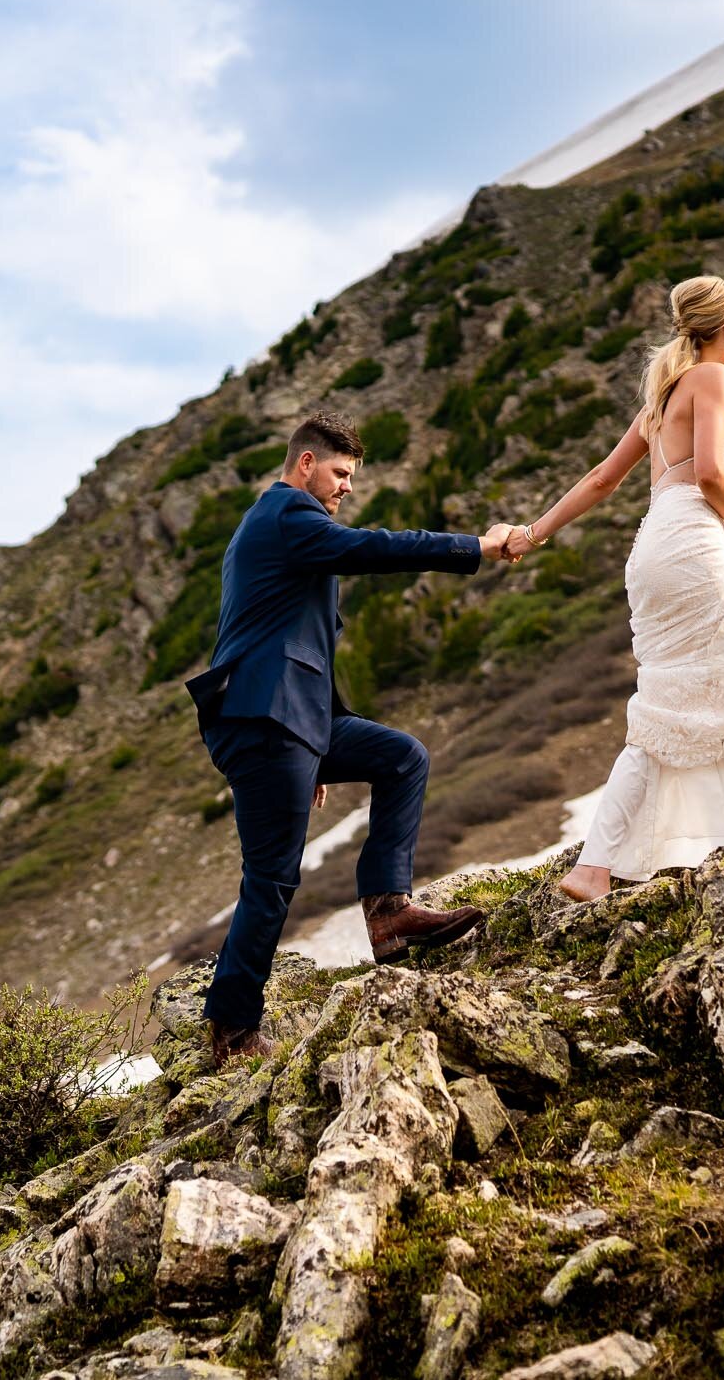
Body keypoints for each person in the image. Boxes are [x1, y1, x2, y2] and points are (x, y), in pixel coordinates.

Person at [186, 410, 523, 1066]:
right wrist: (474, 548)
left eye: (351, 477)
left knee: (400, 757)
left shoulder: (283, 529)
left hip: (289, 717)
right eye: (339, 473)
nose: (346, 487)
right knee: (273, 879)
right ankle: (231, 1031)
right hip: (263, 722)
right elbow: (375, 548)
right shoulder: (286, 515)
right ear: (304, 464)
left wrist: (316, 744)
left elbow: (290, 640)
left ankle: (388, 910)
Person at [506, 275, 724, 901]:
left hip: (652, 550)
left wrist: (532, 532)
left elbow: (603, 478)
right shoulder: (712, 378)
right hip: (692, 542)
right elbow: (710, 471)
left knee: (666, 703)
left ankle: (594, 865)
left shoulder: (661, 397)